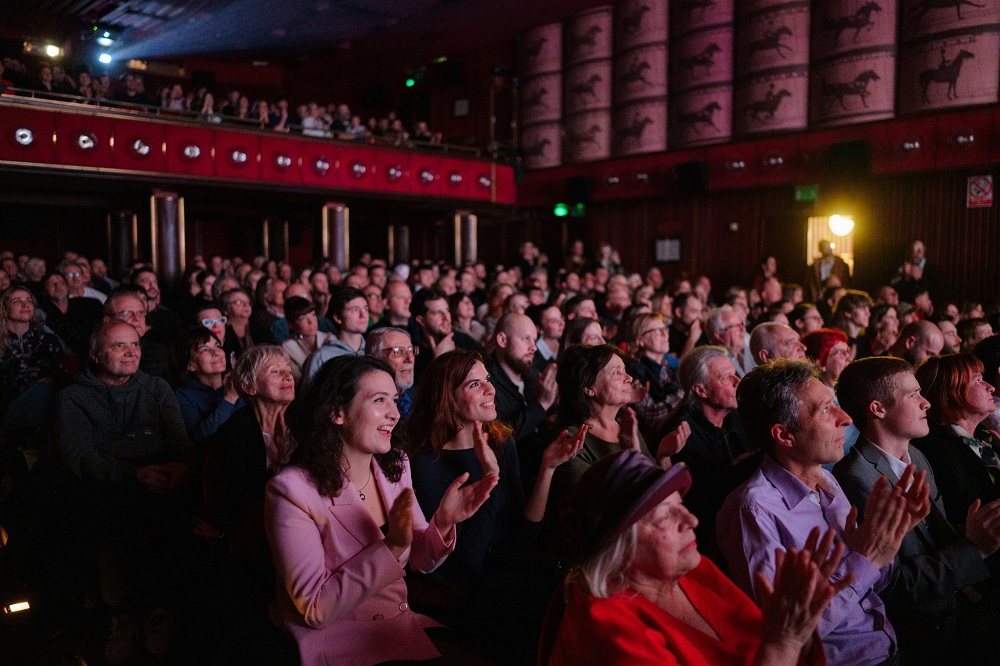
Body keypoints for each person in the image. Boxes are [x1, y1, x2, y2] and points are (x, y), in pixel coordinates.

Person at [265, 355, 496, 664]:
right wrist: (392, 546)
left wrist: (442, 522)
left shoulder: (395, 465)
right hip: (339, 642)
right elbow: (315, 609)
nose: (394, 414)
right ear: (336, 412)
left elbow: (421, 562)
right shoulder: (291, 490)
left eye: (395, 400)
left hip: (396, 625)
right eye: (379, 400)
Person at [718, 359, 931, 666]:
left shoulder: (826, 480)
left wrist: (889, 538)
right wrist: (867, 560)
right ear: (784, 435)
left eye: (837, 405)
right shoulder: (754, 509)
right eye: (825, 409)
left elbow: (872, 584)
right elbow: (791, 632)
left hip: (885, 645)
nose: (845, 418)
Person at [549, 450, 843, 665]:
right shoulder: (604, 625)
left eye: (682, 505)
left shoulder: (691, 567)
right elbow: (776, 647)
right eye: (665, 517)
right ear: (618, 548)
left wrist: (799, 623)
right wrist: (785, 641)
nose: (691, 520)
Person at [834, 357, 1000, 664]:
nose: (926, 404)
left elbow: (936, 539)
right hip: (930, 629)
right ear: (877, 409)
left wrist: (977, 532)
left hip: (960, 601)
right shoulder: (858, 480)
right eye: (913, 395)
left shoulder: (918, 456)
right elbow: (894, 583)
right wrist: (974, 547)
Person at [204, 345, 295, 542]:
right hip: (259, 531)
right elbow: (241, 501)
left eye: (288, 369)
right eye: (275, 371)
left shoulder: (303, 425)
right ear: (249, 387)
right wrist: (282, 461)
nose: (288, 376)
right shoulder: (234, 433)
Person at [913, 354, 1000, 526]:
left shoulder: (984, 436)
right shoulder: (937, 450)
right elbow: (981, 509)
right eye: (977, 380)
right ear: (951, 390)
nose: (990, 387)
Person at [0, 286, 65, 440]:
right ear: (4, 308)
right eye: (17, 301)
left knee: (45, 391)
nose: (25, 305)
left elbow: (61, 380)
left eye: (29, 300)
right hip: (6, 407)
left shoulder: (48, 341)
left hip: (44, 407)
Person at [488, 313, 558, 442]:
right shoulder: (487, 385)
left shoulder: (534, 377)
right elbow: (499, 435)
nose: (534, 347)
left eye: (534, 340)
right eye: (526, 338)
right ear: (502, 340)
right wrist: (542, 404)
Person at [174, 326, 243, 446]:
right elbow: (199, 436)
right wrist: (230, 398)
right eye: (205, 349)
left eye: (217, 346)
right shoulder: (183, 395)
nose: (216, 353)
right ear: (191, 365)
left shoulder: (235, 379)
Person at [623, 312, 684, 434]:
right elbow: (650, 417)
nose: (664, 334)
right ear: (640, 340)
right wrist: (684, 394)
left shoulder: (671, 365)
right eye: (657, 330)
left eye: (664, 329)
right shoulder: (635, 372)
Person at [365, 327, 417, 417]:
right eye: (398, 352)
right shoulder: (366, 402)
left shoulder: (422, 397)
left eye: (411, 350)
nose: (409, 359)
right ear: (374, 359)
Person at [280, 296, 333, 384]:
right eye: (302, 318)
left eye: (313, 315)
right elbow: (299, 381)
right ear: (290, 324)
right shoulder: (287, 347)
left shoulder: (329, 339)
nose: (311, 321)